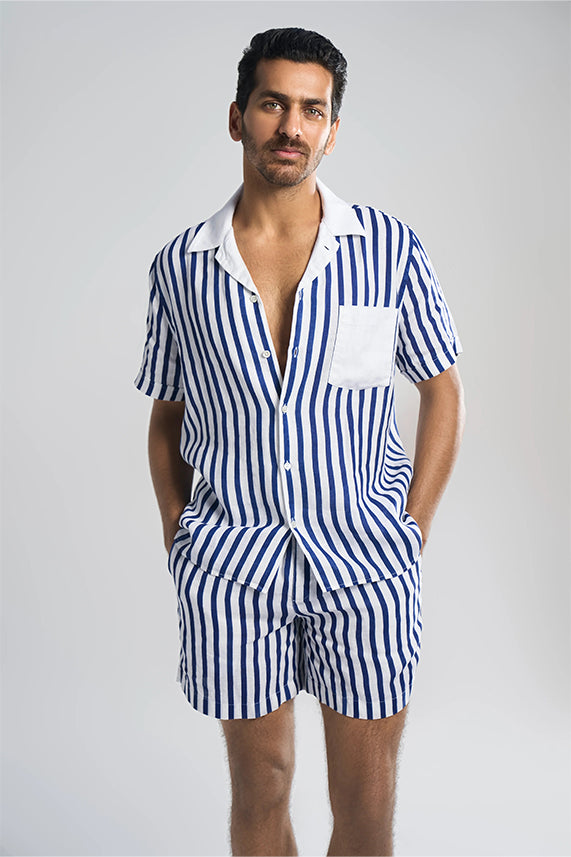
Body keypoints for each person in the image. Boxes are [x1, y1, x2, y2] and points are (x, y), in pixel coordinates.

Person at [134, 26, 465, 857]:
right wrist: (180, 534)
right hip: (232, 569)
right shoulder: (181, 267)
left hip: (366, 563)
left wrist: (411, 529)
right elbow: (166, 415)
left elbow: (441, 390)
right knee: (262, 787)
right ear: (237, 117)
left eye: (311, 110)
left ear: (332, 130)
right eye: (273, 104)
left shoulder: (389, 250)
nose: (291, 125)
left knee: (364, 799)